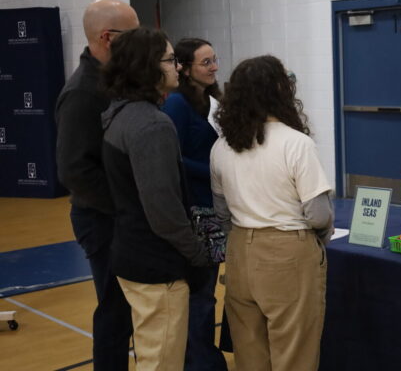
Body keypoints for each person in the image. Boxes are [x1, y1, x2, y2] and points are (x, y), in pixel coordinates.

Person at [211, 55, 333, 371]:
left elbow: (221, 212)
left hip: (239, 250)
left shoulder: (222, 146)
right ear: (281, 91)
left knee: (249, 354)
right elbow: (318, 215)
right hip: (287, 252)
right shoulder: (297, 143)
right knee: (294, 354)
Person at [101, 27, 213, 371]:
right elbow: (163, 212)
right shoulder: (152, 125)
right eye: (169, 60)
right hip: (154, 263)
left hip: (132, 254)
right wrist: (198, 254)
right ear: (146, 66)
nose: (177, 67)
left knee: (153, 354)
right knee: (161, 361)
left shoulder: (119, 113)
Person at [55, 0, 137, 370]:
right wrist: (127, 206)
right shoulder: (82, 93)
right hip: (105, 221)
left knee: (128, 308)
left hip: (122, 217)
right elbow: (74, 171)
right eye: (134, 35)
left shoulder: (114, 80)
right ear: (107, 37)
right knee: (115, 310)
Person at [161, 38, 227, 371]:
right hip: (194, 210)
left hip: (214, 208)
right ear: (185, 69)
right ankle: (200, 363)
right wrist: (215, 172)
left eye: (215, 60)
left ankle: (202, 358)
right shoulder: (176, 105)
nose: (214, 67)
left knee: (206, 293)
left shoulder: (214, 100)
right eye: (206, 62)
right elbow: (173, 158)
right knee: (200, 294)